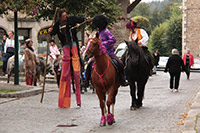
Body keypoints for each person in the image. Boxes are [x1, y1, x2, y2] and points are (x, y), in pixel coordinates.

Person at [48, 8, 90, 108]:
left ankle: (81, 69)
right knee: (66, 62)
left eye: (66, 15)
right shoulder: (57, 25)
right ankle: (63, 70)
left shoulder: (71, 20)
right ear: (60, 17)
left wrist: (85, 19)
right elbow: (53, 33)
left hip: (73, 43)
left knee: (76, 61)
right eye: (63, 16)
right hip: (65, 45)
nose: (65, 17)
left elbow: (79, 19)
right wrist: (49, 31)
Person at [84, 14, 129, 88]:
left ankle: (123, 79)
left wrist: (103, 44)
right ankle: (86, 80)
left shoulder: (106, 32)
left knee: (120, 63)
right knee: (89, 64)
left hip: (109, 53)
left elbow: (113, 40)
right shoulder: (98, 33)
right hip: (99, 54)